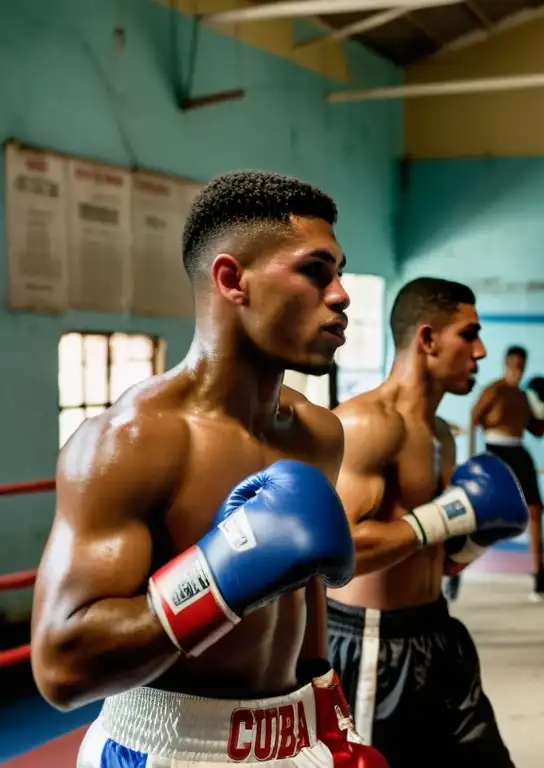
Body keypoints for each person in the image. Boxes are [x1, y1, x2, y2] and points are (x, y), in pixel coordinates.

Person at [30, 170, 387, 767]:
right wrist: (218, 579)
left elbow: (306, 599)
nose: (342, 294)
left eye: (341, 272)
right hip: (168, 747)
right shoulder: (132, 441)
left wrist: (332, 719)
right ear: (232, 280)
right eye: (314, 271)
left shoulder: (318, 433)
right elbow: (61, 665)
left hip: (295, 739)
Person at [325, 276, 529, 768]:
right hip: (374, 644)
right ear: (427, 338)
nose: (481, 351)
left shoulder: (442, 434)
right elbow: (338, 554)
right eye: (469, 333)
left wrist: (470, 543)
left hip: (438, 634)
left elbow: (435, 558)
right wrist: (446, 515)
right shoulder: (367, 425)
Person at [459, 344, 544, 602]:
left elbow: (538, 431)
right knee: (478, 514)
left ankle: (540, 578)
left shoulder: (523, 397)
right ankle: (453, 571)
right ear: (506, 364)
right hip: (495, 452)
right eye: (515, 365)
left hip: (519, 453)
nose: (518, 371)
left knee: (536, 510)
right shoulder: (494, 390)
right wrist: (473, 460)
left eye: (522, 366)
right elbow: (473, 418)